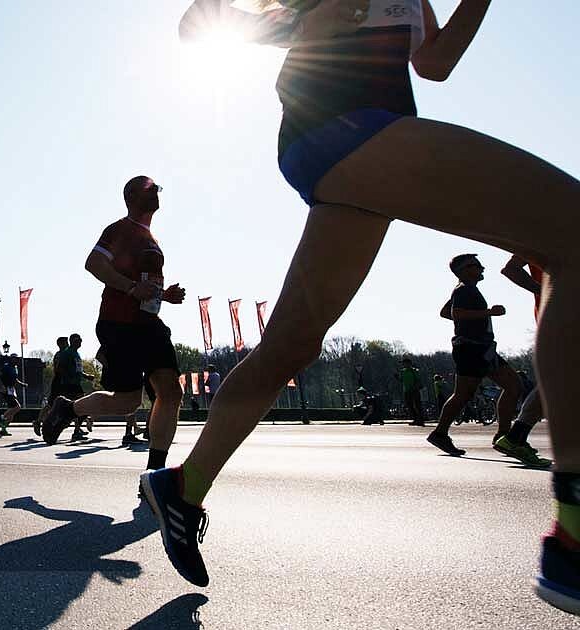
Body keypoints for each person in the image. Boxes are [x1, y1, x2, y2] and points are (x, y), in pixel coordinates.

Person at [148, 2, 580, 611]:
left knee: (291, 346)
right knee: (572, 234)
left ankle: (183, 486)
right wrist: (292, 24)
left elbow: (434, 63)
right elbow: (198, 23)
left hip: (368, 142)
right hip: (343, 126)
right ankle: (576, 531)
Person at [40, 177, 187, 488]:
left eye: (158, 189)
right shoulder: (120, 229)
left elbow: (146, 286)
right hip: (120, 323)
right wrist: (131, 287)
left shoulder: (151, 238)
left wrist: (164, 295)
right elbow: (94, 263)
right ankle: (69, 408)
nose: (157, 193)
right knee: (127, 403)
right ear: (131, 196)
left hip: (149, 324)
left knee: (171, 393)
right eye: (150, 189)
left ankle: (154, 475)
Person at [426, 255, 522, 455]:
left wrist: (473, 321)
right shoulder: (464, 290)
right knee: (464, 394)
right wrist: (489, 313)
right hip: (471, 349)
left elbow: (446, 312)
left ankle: (504, 436)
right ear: (463, 270)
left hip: (482, 348)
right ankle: (440, 434)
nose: (482, 268)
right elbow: (457, 314)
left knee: (513, 385)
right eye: (476, 265)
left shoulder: (465, 289)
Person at [490, 254, 551, 467]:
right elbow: (510, 269)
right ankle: (515, 437)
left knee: (561, 380)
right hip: (559, 316)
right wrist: (544, 291)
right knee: (559, 380)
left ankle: (516, 437)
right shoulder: (542, 237)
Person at [0, 356, 28, 437]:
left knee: (11, 416)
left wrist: (22, 384)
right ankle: (2, 417)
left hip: (11, 390)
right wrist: (2, 386)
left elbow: (15, 379)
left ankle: (3, 430)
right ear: (11, 359)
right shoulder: (6, 367)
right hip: (6, 390)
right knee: (17, 407)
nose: (16, 360)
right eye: (14, 359)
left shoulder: (15, 368)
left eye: (17, 359)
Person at [397, 357, 425, 425]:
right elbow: (401, 380)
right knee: (409, 405)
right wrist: (397, 377)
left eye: (404, 363)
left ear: (409, 363)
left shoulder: (414, 371)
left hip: (414, 390)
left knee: (417, 405)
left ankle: (420, 420)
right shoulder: (402, 371)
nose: (403, 364)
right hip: (407, 391)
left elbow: (418, 380)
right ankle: (416, 419)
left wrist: (415, 387)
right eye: (403, 363)